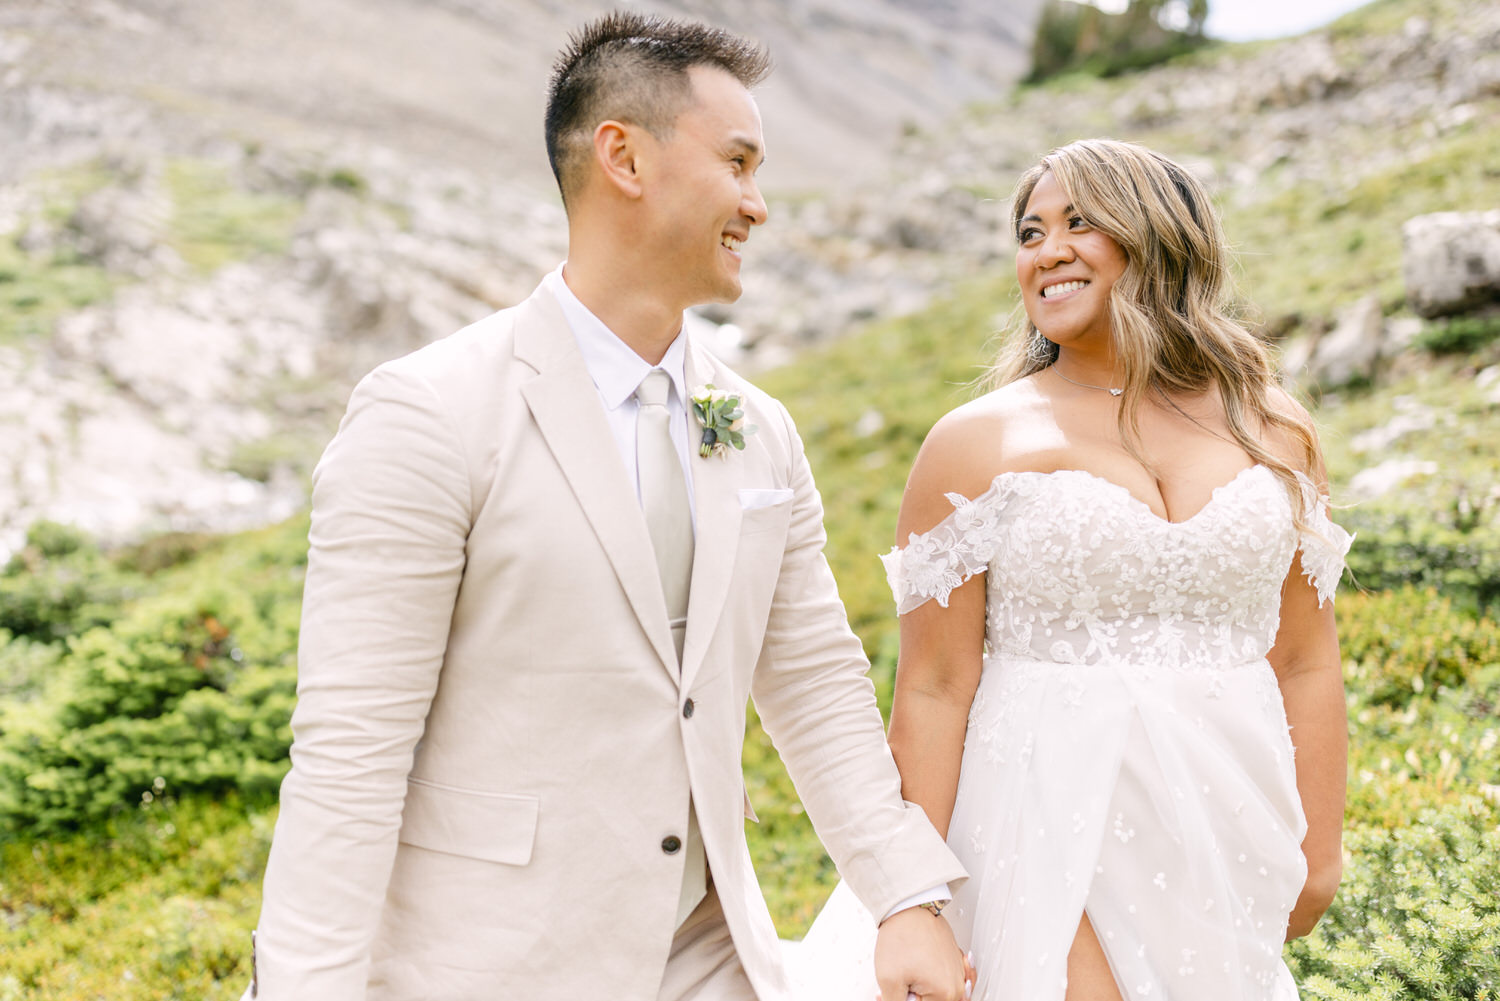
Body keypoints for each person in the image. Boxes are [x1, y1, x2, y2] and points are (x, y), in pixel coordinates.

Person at [241, 12, 974, 1001]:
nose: (759, 205)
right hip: (491, 965)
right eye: (739, 162)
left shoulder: (758, 428)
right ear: (623, 156)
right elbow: (350, 753)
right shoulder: (427, 413)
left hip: (714, 956)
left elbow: (813, 684)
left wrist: (907, 899)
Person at [789, 138, 1351, 1001]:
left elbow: (1306, 655)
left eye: (1079, 223)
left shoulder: (1273, 429)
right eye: (1030, 231)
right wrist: (915, 898)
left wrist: (1320, 848)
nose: (1047, 250)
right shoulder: (976, 443)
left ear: (1159, 235)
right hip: (1038, 812)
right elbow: (934, 686)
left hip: (1227, 821)